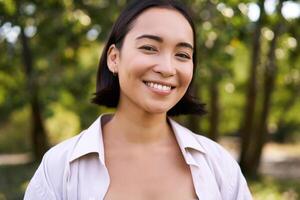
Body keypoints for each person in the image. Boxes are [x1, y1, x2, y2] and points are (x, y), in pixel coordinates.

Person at [24, 0, 252, 199]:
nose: (166, 68)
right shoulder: (59, 167)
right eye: (150, 48)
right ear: (114, 58)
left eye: (182, 54)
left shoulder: (219, 165)